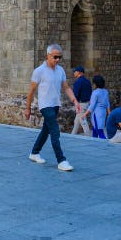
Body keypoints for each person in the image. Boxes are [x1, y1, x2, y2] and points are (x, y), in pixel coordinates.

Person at [25, 44, 80, 172]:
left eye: (59, 57)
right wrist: (27, 108)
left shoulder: (60, 70)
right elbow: (31, 91)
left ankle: (34, 153)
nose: (57, 60)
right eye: (55, 57)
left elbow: (66, 87)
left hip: (56, 105)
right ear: (48, 56)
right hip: (45, 106)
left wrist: (75, 101)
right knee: (55, 131)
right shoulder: (39, 71)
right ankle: (61, 160)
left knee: (46, 130)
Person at [70, 66, 92, 135]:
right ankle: (72, 135)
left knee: (83, 122)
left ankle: (88, 136)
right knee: (76, 121)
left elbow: (75, 94)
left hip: (80, 104)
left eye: (75, 71)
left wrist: (74, 102)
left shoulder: (78, 82)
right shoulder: (88, 81)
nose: (74, 73)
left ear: (79, 73)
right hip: (86, 103)